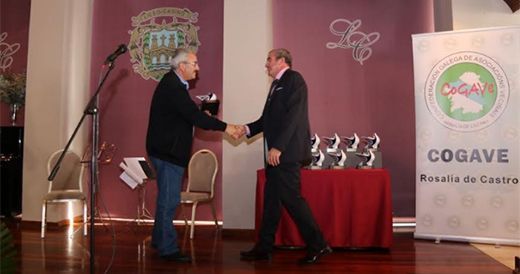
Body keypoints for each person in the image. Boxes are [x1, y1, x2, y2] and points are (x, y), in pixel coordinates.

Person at [146, 48, 240, 262]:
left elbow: (186, 113)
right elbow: (191, 115)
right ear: (182, 66)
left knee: (165, 200)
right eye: (194, 63)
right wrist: (227, 127)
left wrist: (200, 113)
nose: (198, 68)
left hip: (165, 150)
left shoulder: (173, 85)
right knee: (169, 202)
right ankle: (168, 249)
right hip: (168, 152)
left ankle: (159, 241)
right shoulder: (174, 86)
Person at [239, 48, 331, 264]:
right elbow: (267, 120)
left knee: (292, 200)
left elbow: (294, 117)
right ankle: (264, 248)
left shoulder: (294, 79)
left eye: (269, 60)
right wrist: (245, 129)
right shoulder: (276, 85)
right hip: (277, 156)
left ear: (281, 60)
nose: (266, 64)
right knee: (271, 202)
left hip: (286, 154)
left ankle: (318, 245)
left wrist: (278, 147)